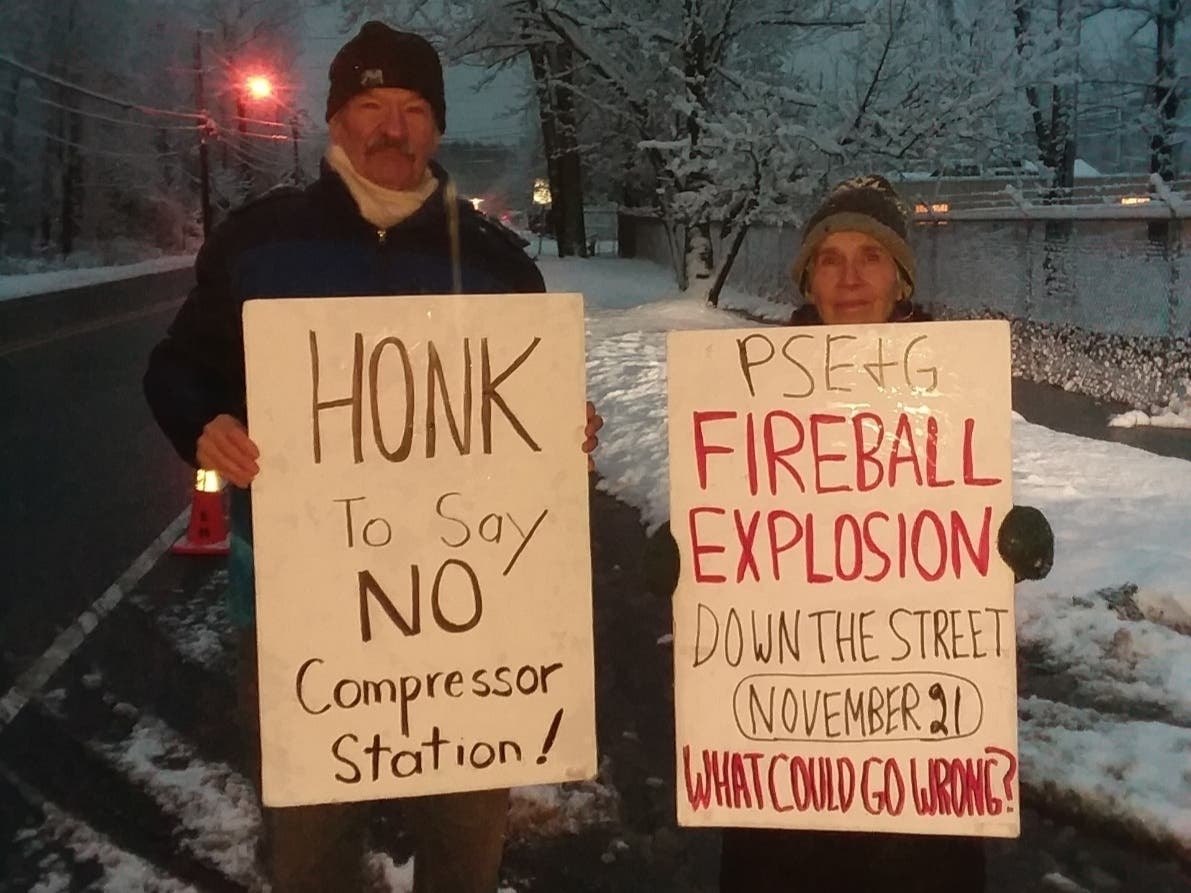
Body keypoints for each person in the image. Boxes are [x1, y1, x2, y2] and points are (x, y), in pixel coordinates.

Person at [144, 21, 601, 893]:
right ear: (335, 121)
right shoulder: (260, 242)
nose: (392, 127)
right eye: (370, 105)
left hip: (471, 618)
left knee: (466, 845)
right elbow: (176, 368)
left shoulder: (498, 265)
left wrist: (560, 431)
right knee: (310, 852)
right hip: (297, 604)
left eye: (413, 108)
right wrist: (205, 424)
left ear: (434, 127)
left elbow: (527, 416)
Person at [646, 174, 1053, 893]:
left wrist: (1012, 542)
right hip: (783, 765)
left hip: (917, 760)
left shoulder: (951, 390)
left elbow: (955, 539)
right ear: (808, 279)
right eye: (829, 259)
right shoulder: (748, 395)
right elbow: (741, 535)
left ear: (900, 280)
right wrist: (682, 558)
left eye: (870, 256)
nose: (849, 277)